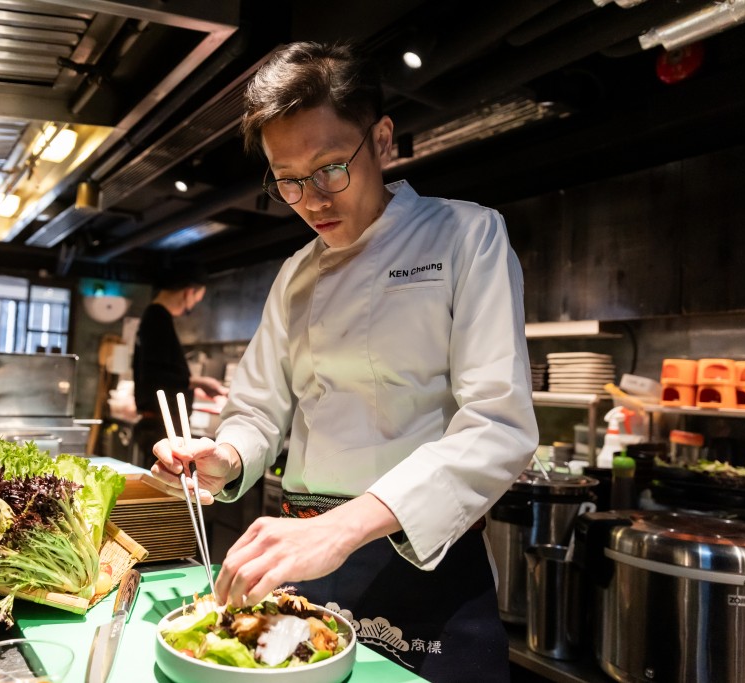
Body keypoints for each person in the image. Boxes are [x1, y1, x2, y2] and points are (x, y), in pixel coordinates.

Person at [149, 42, 538, 682]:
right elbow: (258, 407)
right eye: (288, 180)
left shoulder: (467, 236)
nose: (311, 199)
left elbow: (498, 424)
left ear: (382, 141)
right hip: (302, 557)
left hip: (422, 554)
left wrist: (342, 527)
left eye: (331, 168)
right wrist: (230, 456)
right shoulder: (296, 274)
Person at [131, 263, 226, 465]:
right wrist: (197, 382)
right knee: (167, 491)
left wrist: (193, 384)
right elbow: (157, 375)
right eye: (194, 303)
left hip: (157, 425)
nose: (188, 310)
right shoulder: (157, 318)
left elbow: (157, 370)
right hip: (161, 427)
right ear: (188, 293)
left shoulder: (154, 317)